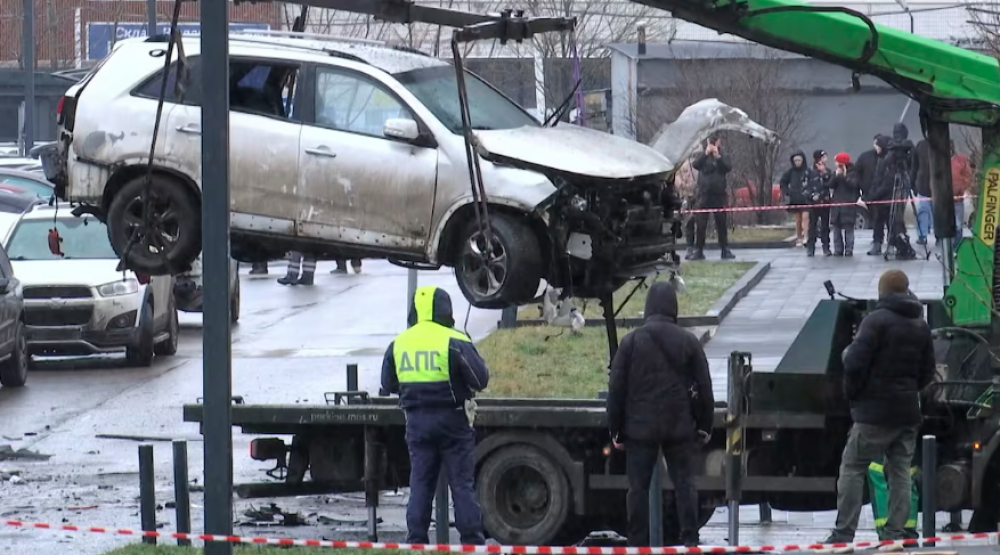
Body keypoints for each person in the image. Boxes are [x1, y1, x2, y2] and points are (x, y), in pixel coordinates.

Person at [822, 269, 934, 545]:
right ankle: (895, 535)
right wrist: (908, 391)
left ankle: (843, 533)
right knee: (900, 472)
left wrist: (854, 394)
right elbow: (927, 372)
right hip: (907, 413)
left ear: (882, 291)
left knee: (852, 466)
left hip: (874, 414)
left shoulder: (875, 321)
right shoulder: (920, 325)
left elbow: (854, 362)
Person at [607, 281, 714, 548]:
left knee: (637, 489)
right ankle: (690, 539)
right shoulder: (688, 342)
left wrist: (615, 429)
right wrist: (705, 425)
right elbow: (704, 387)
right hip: (678, 427)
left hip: (639, 429)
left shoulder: (631, 342)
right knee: (685, 484)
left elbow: (616, 389)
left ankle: (637, 543)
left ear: (647, 308)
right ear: (673, 307)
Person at [380, 285, 489, 545]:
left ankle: (416, 540)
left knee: (420, 483)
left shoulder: (399, 343)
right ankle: (472, 541)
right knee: (461, 485)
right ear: (445, 309)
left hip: (417, 421)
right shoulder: (455, 340)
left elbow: (388, 383)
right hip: (453, 421)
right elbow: (480, 379)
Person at [690, 135, 735, 260]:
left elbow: (728, 167)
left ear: (719, 142)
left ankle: (725, 249)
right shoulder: (702, 154)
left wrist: (718, 157)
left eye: (715, 141)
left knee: (721, 223)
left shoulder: (723, 154)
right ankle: (699, 250)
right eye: (711, 141)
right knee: (701, 224)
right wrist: (706, 153)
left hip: (719, 195)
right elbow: (695, 165)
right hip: (704, 194)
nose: (713, 144)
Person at [829, 152, 860, 256]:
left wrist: (844, 176)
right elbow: (830, 185)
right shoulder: (835, 172)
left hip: (848, 204)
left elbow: (853, 185)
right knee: (836, 229)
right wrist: (836, 175)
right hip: (837, 204)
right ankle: (838, 249)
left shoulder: (853, 172)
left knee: (849, 229)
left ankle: (849, 249)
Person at [866, 135, 892, 256]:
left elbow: (887, 183)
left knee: (891, 223)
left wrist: (875, 195)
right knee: (878, 222)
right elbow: (876, 180)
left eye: (878, 145)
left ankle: (891, 244)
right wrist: (871, 194)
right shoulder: (881, 160)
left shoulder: (889, 161)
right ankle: (877, 244)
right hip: (879, 200)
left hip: (887, 199)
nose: (876, 148)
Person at [779, 150, 811, 247]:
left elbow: (813, 181)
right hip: (795, 199)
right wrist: (788, 192)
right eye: (795, 160)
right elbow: (783, 182)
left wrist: (810, 192)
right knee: (798, 219)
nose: (797, 162)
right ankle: (799, 237)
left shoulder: (808, 171)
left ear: (803, 160)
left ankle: (806, 236)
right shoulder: (790, 172)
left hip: (806, 199)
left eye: (799, 160)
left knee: (805, 217)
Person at [805, 150, 833, 257]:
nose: (826, 159)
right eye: (824, 157)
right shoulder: (809, 171)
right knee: (812, 226)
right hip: (813, 204)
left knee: (825, 226)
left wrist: (824, 173)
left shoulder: (828, 171)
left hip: (825, 202)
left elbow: (830, 184)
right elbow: (805, 187)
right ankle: (810, 248)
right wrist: (812, 196)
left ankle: (826, 247)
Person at [674, 156, 700, 260]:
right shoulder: (681, 162)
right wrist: (682, 184)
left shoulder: (698, 160)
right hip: (685, 196)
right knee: (688, 223)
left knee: (700, 223)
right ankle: (690, 247)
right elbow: (677, 178)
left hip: (697, 195)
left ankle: (699, 248)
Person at [951, 142, 975, 246]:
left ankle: (957, 245)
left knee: (958, 223)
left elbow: (968, 176)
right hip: (944, 199)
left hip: (957, 198)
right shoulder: (940, 161)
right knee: (948, 223)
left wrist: (961, 188)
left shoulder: (961, 161)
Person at [911, 136, 933, 245]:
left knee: (923, 211)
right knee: (935, 212)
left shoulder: (920, 145)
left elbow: (914, 166)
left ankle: (922, 235)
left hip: (924, 184)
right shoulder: (943, 142)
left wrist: (913, 184)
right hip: (936, 185)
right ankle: (937, 236)